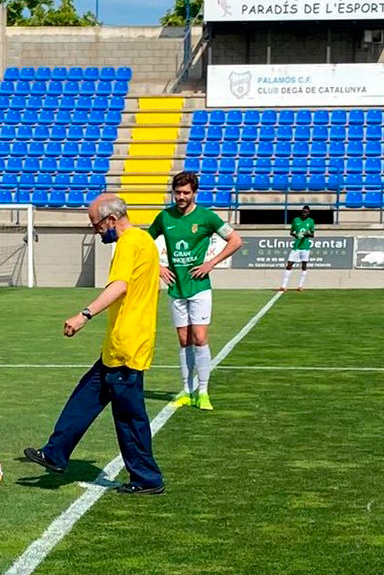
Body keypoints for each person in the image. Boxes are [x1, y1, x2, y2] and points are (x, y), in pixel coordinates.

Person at [24, 193, 164, 495]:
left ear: (112, 220)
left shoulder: (128, 243)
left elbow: (120, 286)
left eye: (96, 224)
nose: (95, 230)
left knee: (129, 417)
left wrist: (84, 314)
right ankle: (56, 452)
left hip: (127, 346)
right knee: (85, 397)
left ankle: (147, 478)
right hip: (119, 346)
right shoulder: (143, 241)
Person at [147, 171, 242, 411]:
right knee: (183, 339)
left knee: (199, 337)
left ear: (194, 193)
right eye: (177, 192)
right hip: (175, 287)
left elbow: (235, 241)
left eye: (185, 192)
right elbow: (144, 243)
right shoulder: (164, 217)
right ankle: (186, 392)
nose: (180, 196)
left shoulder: (207, 217)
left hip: (199, 287)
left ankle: (203, 391)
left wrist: (211, 263)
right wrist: (158, 267)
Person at [279, 205, 316, 292]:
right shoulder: (296, 220)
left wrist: (306, 234)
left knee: (304, 265)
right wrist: (296, 235)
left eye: (306, 212)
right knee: (289, 264)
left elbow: (312, 234)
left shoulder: (311, 221)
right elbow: (291, 232)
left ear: (308, 213)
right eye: (303, 212)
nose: (304, 214)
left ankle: (300, 286)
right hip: (296, 246)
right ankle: (283, 286)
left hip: (305, 247)